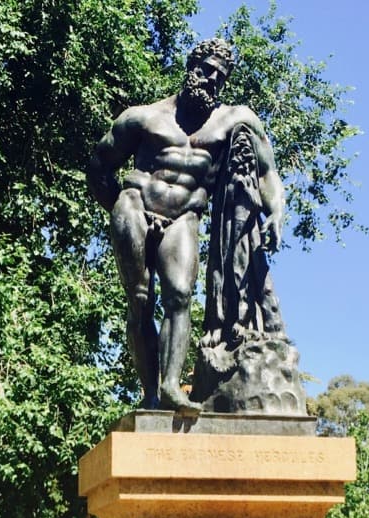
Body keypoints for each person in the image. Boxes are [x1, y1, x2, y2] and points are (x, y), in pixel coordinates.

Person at [87, 38, 285, 413]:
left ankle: (171, 387)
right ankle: (149, 394)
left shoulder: (235, 119)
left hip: (185, 215)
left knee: (180, 295)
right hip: (135, 204)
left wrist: (276, 210)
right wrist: (118, 209)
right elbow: (99, 165)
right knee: (141, 302)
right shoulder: (143, 116)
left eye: (220, 76)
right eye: (206, 69)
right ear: (190, 66)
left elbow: (267, 173)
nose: (211, 79)